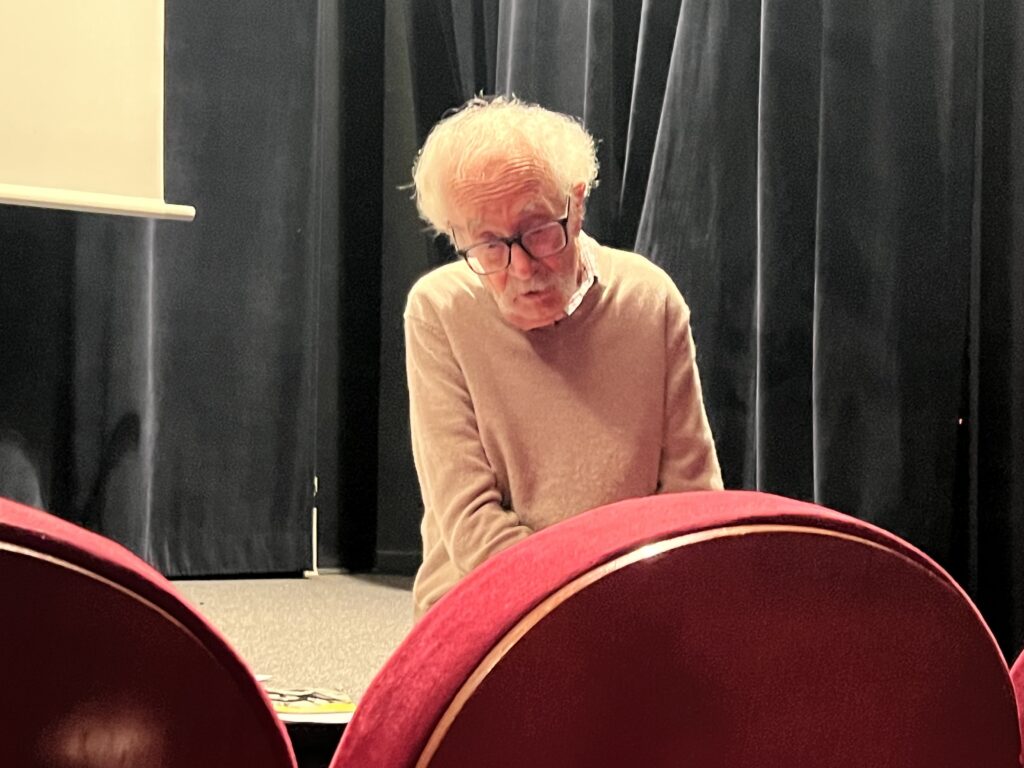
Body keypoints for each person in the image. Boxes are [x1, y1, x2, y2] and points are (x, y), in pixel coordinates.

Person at [405, 95, 722, 619]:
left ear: (576, 206)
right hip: (488, 607)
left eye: (538, 232)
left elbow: (692, 499)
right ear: (458, 238)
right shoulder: (440, 310)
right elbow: (470, 522)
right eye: (489, 245)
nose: (523, 268)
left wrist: (637, 608)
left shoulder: (649, 298)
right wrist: (584, 610)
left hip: (633, 603)